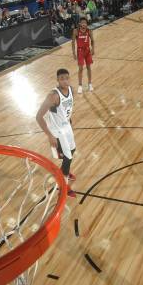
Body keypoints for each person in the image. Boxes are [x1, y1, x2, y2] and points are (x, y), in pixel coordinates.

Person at [35, 68, 77, 198]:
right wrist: (50, 135)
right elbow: (38, 117)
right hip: (56, 130)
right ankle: (63, 186)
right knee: (68, 157)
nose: (65, 81)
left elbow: (66, 110)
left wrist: (69, 121)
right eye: (62, 78)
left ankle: (64, 170)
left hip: (66, 126)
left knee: (73, 150)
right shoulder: (53, 95)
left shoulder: (72, 90)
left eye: (67, 78)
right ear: (57, 80)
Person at [72, 18, 94, 94]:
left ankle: (90, 84)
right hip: (80, 51)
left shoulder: (89, 31)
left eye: (85, 23)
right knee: (80, 68)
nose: (84, 24)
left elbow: (93, 41)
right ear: (80, 24)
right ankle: (80, 86)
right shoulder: (76, 31)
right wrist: (74, 53)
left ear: (87, 24)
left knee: (89, 67)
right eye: (82, 23)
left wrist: (93, 49)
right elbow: (73, 43)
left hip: (87, 51)